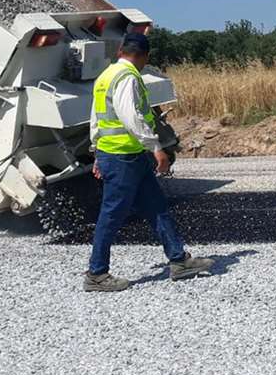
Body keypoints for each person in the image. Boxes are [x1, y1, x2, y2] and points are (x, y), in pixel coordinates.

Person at [83, 32, 212, 291]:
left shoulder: (104, 77)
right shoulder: (128, 78)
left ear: (120, 50)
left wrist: (96, 151)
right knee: (111, 215)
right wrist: (156, 148)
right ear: (144, 56)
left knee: (156, 206)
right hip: (122, 157)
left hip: (122, 156)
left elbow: (95, 119)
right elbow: (132, 117)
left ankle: (179, 260)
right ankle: (96, 274)